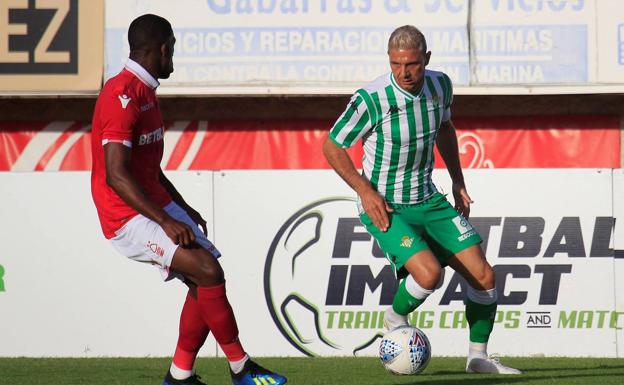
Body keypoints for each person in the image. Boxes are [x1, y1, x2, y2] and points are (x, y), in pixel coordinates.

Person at [90, 14, 287, 385]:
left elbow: (148, 166)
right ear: (163, 49)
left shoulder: (144, 91)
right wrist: (166, 220)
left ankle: (180, 376)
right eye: (173, 47)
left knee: (204, 271)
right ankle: (241, 368)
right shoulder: (122, 96)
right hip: (124, 216)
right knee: (209, 272)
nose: (174, 56)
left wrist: (181, 205)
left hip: (153, 201)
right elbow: (117, 175)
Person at [323, 25, 520, 375]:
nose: (404, 72)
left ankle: (478, 358)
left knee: (484, 275)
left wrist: (458, 180)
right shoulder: (371, 98)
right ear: (389, 60)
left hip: (429, 199)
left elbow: (445, 128)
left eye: (412, 64)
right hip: (385, 205)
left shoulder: (440, 85)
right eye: (396, 64)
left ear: (426, 59)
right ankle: (394, 319)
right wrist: (364, 191)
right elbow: (332, 145)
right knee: (429, 275)